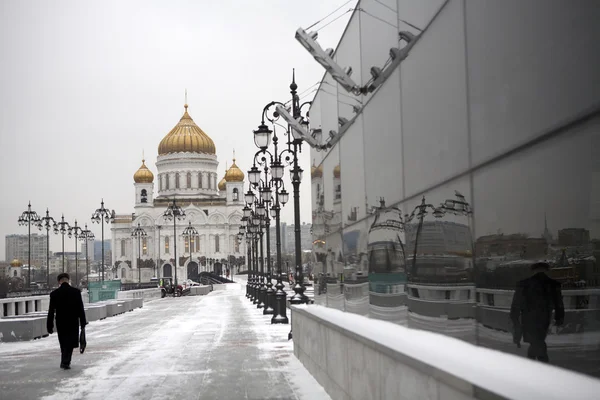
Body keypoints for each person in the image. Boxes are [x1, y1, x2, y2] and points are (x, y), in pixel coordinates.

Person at [510, 262, 564, 363]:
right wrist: (559, 318)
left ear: (533, 270)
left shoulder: (524, 284)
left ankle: (536, 365)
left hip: (528, 318)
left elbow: (516, 304)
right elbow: (559, 303)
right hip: (544, 318)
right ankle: (541, 364)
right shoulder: (553, 284)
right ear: (546, 270)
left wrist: (515, 318)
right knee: (538, 341)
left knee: (535, 342)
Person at [47, 273, 87, 370]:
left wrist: (49, 325)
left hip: (61, 322)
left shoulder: (54, 294)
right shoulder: (76, 292)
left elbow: (51, 311)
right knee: (71, 342)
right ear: (68, 280)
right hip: (73, 321)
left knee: (63, 341)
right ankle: (66, 361)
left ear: (59, 281)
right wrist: (83, 322)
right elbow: (80, 308)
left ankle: (64, 361)